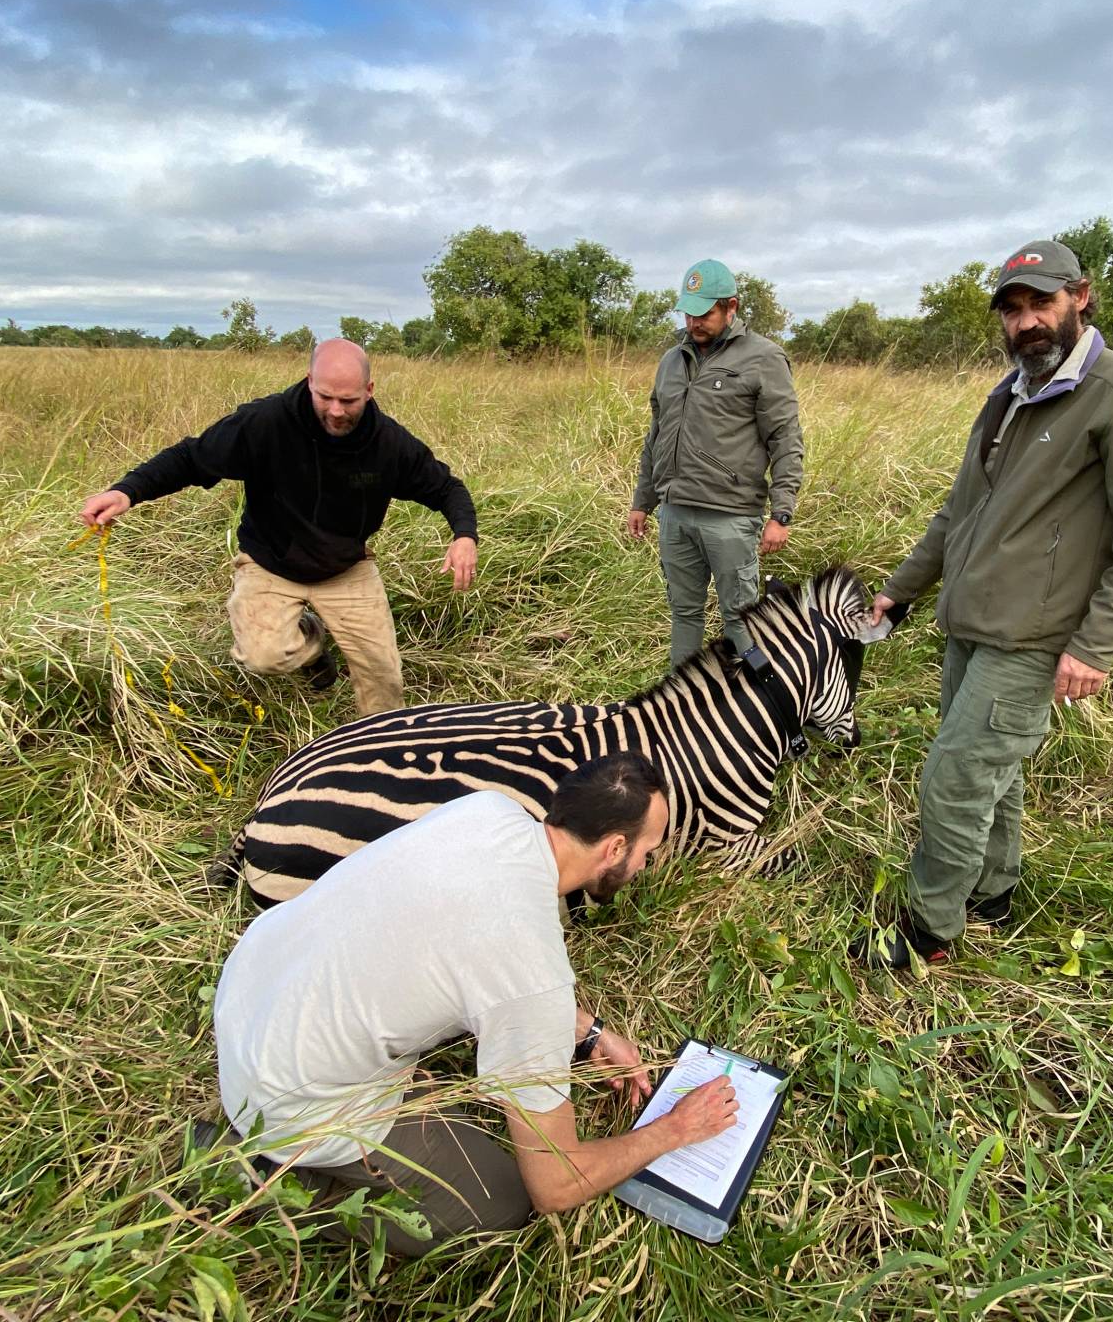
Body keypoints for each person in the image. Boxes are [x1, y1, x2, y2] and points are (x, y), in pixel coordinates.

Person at [212, 753, 740, 1254]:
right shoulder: (533, 971)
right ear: (614, 849)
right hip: (287, 1098)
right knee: (501, 1204)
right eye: (648, 850)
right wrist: (674, 1129)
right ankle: (273, 1184)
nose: (648, 864)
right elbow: (556, 1185)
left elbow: (472, 955)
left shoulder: (488, 809)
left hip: (250, 993)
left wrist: (589, 1032)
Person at [854, 240, 1113, 969]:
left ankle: (928, 931)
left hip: (1032, 637)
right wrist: (901, 591)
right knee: (991, 779)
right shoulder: (1010, 395)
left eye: (1042, 302)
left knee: (953, 780)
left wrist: (1097, 644)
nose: (1027, 321)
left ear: (1081, 297)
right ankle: (992, 894)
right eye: (1013, 309)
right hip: (971, 625)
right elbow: (958, 514)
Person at [77, 338, 476, 716]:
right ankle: (311, 642)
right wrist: (126, 492)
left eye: (349, 400)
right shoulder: (265, 422)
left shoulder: (389, 443)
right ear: (309, 382)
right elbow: (190, 458)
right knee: (263, 656)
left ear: (369, 389)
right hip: (270, 562)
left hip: (345, 567)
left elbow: (446, 488)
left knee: (383, 677)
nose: (336, 410)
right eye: (326, 397)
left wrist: (463, 536)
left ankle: (384, 750)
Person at [629, 259, 804, 668]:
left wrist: (782, 513)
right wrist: (643, 501)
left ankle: (751, 708)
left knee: (740, 620)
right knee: (684, 613)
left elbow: (785, 438)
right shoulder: (671, 360)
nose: (694, 322)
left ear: (731, 307)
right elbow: (656, 436)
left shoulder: (764, 357)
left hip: (729, 515)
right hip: (675, 514)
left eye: (705, 312)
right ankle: (678, 708)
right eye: (689, 312)